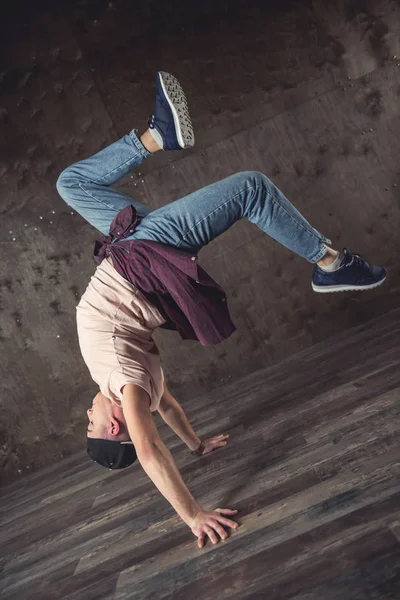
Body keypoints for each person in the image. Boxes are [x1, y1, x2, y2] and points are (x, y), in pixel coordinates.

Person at [56, 71, 387, 548]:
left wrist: (195, 445)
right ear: (113, 427)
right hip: (143, 257)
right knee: (250, 188)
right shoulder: (124, 386)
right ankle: (331, 262)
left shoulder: (143, 393)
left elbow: (167, 407)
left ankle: (157, 134)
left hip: (126, 247)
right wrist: (193, 515)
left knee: (73, 183)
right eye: (91, 421)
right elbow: (148, 449)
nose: (87, 412)